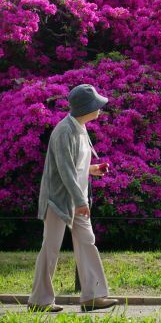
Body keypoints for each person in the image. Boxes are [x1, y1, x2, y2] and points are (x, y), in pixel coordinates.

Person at [27, 84, 118, 313]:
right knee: (51, 248)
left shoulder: (80, 127)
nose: (100, 108)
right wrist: (80, 201)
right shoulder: (64, 131)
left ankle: (93, 296)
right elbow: (65, 171)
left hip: (77, 199)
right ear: (86, 107)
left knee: (87, 243)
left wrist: (92, 169)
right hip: (58, 200)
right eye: (96, 104)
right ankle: (39, 301)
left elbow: (75, 165)